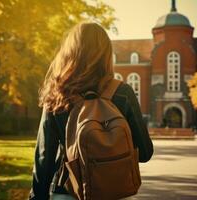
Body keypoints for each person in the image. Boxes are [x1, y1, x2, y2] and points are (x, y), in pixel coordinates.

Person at [29, 22, 154, 200]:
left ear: (70, 52)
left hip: (67, 191)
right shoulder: (122, 93)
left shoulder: (58, 93)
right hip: (114, 191)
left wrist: (37, 197)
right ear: (106, 54)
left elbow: (44, 158)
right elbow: (145, 153)